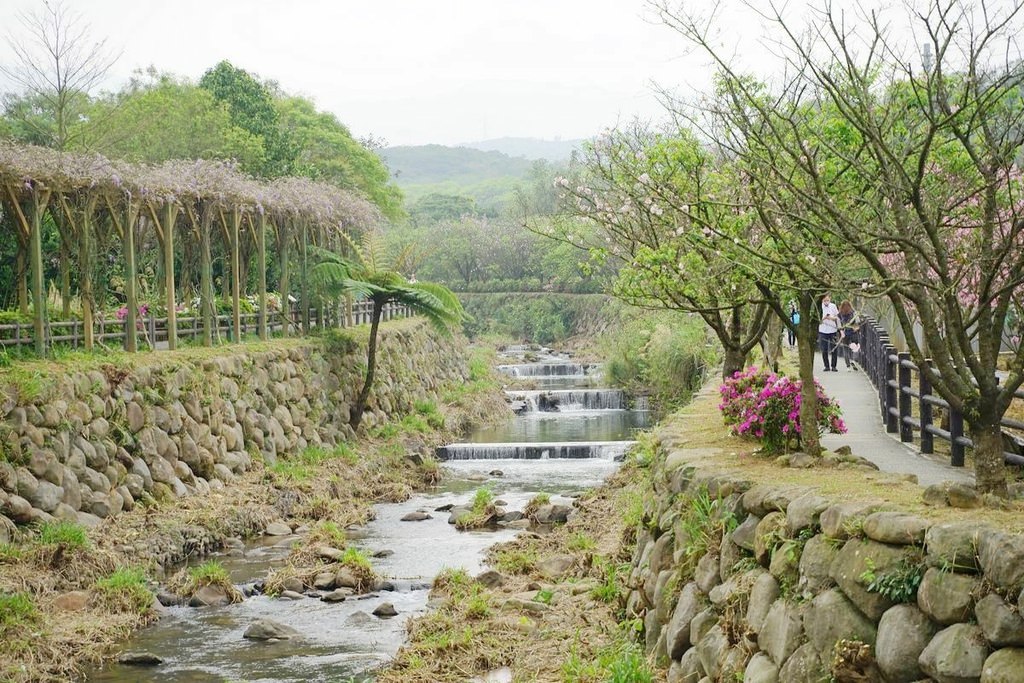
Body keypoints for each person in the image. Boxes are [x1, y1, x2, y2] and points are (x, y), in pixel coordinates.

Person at [818, 293, 840, 372]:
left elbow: (837, 317)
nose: (826, 302)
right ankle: (826, 366)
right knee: (824, 349)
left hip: (832, 330)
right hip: (823, 330)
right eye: (825, 300)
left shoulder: (833, 306)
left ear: (830, 299)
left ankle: (834, 366)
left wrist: (831, 318)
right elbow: (817, 320)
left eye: (827, 300)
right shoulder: (820, 307)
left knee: (834, 348)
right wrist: (824, 318)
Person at [838, 300, 861, 371]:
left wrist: (841, 332)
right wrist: (856, 327)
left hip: (844, 333)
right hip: (853, 333)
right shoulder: (853, 313)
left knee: (846, 350)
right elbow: (858, 321)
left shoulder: (840, 314)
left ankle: (848, 367)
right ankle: (853, 360)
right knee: (856, 348)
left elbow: (839, 325)